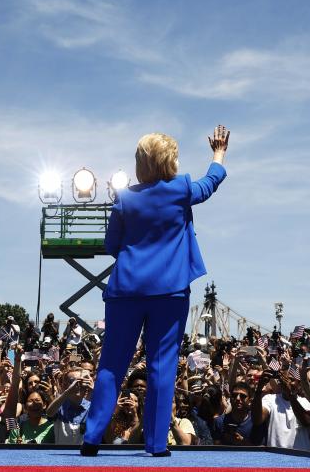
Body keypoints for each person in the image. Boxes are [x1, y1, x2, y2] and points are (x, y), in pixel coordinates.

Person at [81, 126, 230, 457]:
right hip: (170, 290)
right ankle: (156, 444)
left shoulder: (125, 198)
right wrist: (218, 155)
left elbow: (111, 245)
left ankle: (92, 438)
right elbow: (208, 185)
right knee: (161, 366)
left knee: (111, 364)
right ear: (170, 161)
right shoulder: (180, 190)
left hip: (126, 290)